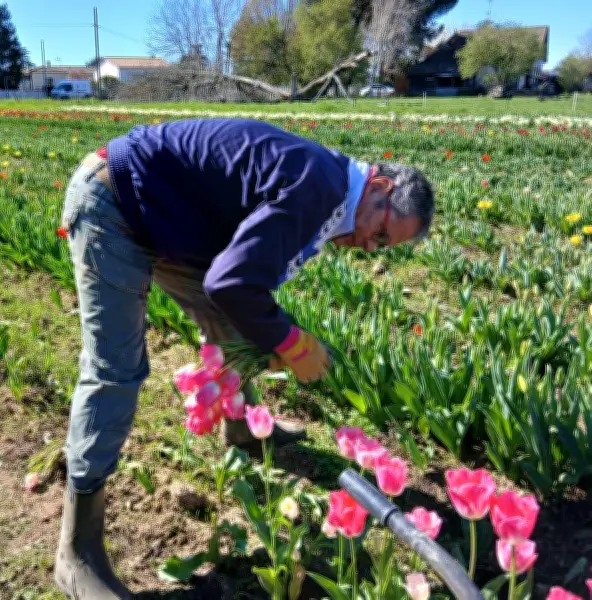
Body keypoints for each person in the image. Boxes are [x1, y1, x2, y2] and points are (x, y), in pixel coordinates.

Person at [54, 118, 435, 599]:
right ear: (379, 186)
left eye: (382, 246)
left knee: (234, 326)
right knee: (116, 370)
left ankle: (245, 429)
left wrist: (271, 337)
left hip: (168, 217)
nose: (368, 246)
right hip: (116, 203)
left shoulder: (334, 192)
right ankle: (77, 552)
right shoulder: (320, 187)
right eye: (379, 233)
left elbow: (239, 281)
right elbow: (231, 283)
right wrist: (293, 344)